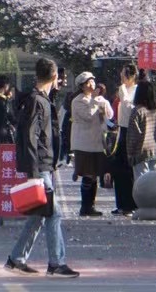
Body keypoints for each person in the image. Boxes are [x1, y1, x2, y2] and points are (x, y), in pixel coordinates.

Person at [4, 57, 77, 278]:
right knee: (53, 213)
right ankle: (56, 262)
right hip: (41, 166)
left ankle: (16, 259)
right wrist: (34, 174)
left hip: (44, 165)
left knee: (39, 214)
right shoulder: (37, 101)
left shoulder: (40, 99)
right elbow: (29, 137)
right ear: (54, 76)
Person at [65, 72, 109, 218]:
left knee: (95, 174)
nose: (92, 85)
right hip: (83, 143)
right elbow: (88, 115)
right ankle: (85, 206)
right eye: (88, 83)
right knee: (88, 174)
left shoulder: (96, 99)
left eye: (93, 82)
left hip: (96, 141)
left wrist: (103, 105)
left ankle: (92, 205)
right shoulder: (78, 101)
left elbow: (109, 115)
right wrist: (95, 101)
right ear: (82, 86)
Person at [107, 66, 141, 216]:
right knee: (118, 169)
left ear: (131, 76)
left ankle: (130, 203)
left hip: (131, 131)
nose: (121, 76)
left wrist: (123, 92)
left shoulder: (136, 90)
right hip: (121, 130)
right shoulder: (122, 90)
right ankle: (121, 203)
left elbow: (131, 109)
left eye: (123, 74)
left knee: (128, 169)